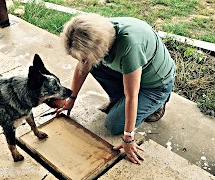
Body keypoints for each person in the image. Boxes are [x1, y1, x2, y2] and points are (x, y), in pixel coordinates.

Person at [58, 14, 175, 165]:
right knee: (93, 65)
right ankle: (118, 101)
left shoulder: (129, 46)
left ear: (98, 47)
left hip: (155, 84)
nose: (82, 63)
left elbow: (131, 97)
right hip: (133, 70)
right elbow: (82, 67)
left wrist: (129, 138)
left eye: (84, 58)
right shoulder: (97, 33)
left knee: (113, 125)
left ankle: (158, 104)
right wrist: (71, 99)